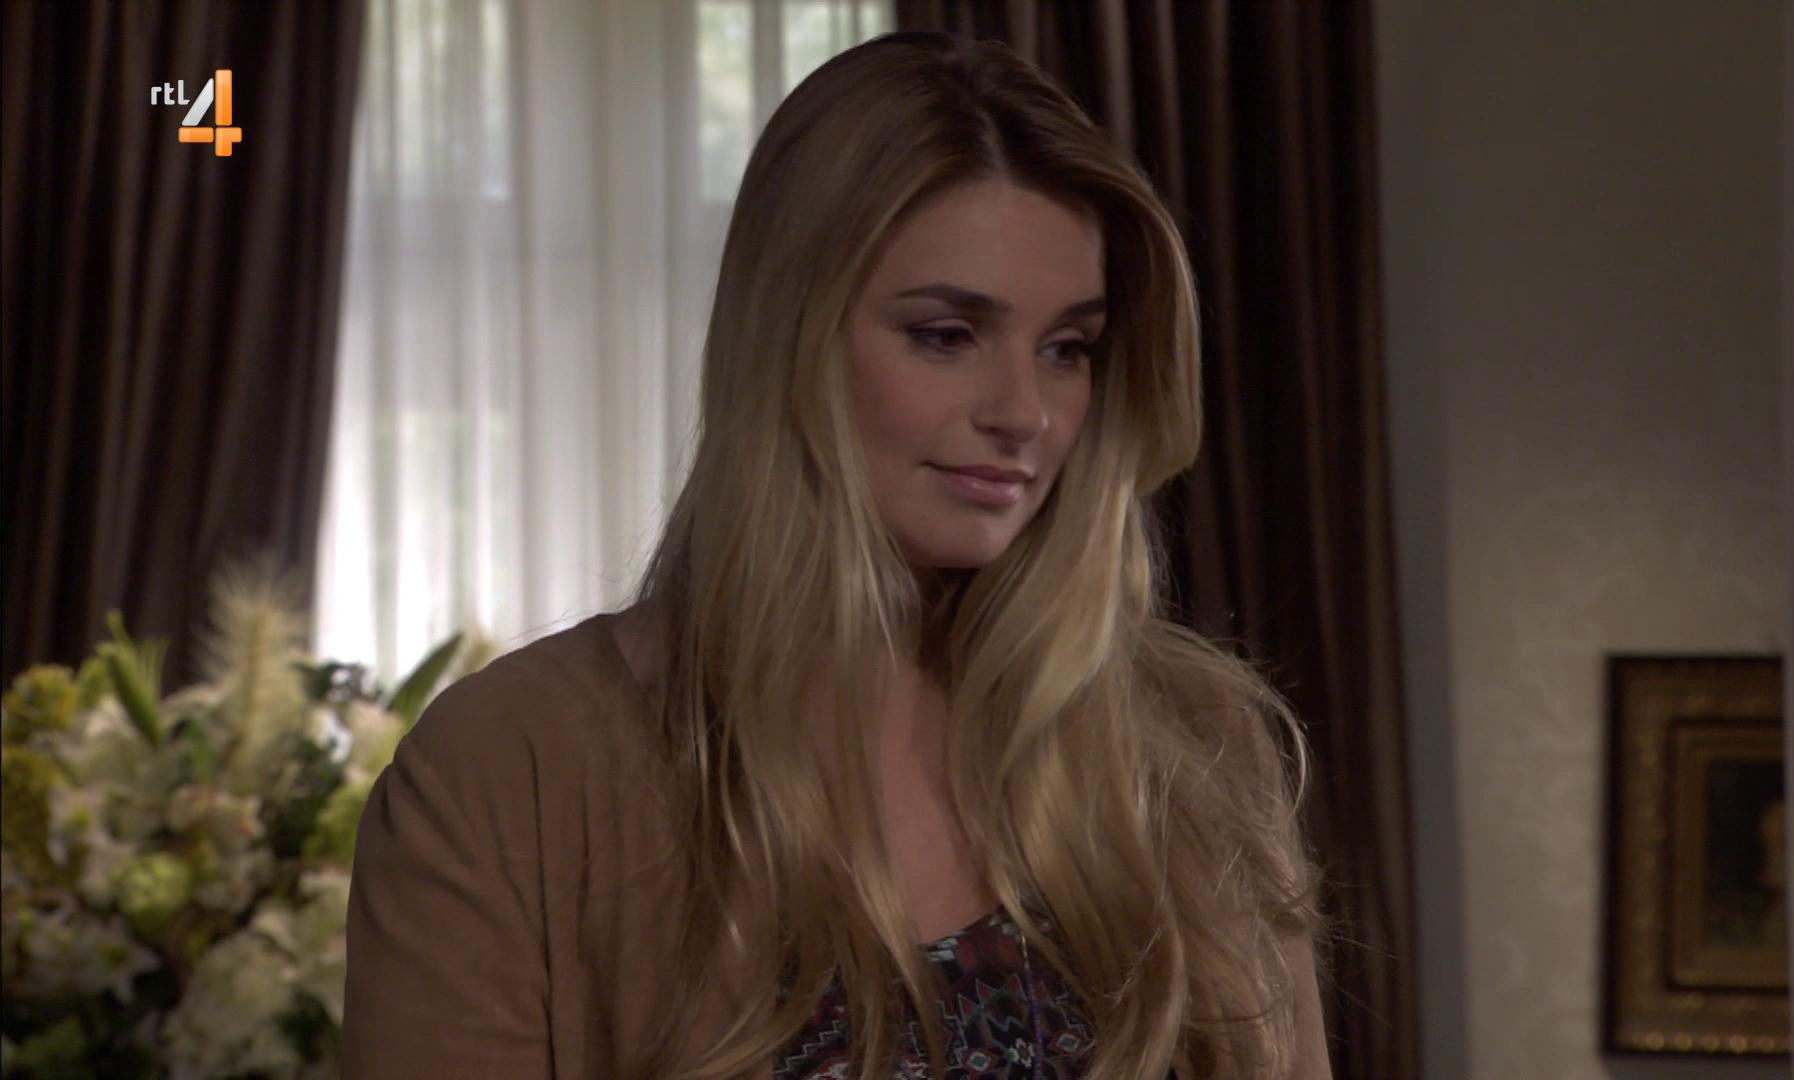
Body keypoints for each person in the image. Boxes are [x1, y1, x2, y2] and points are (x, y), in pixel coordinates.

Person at [342, 29, 1332, 1080]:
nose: (1025, 413)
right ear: (790, 335)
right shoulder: (515, 768)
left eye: (1066, 349)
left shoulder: (1191, 743)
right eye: (947, 335)